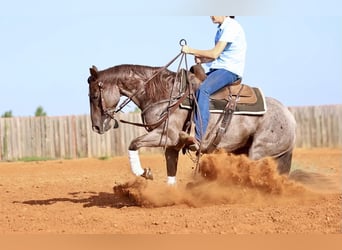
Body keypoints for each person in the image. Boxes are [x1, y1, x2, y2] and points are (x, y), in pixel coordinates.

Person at [181, 16, 247, 151]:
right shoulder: (221, 29)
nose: (211, 14)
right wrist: (203, 60)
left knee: (203, 89)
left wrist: (191, 50)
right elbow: (220, 55)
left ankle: (199, 138)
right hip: (220, 68)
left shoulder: (231, 27)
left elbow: (215, 53)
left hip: (230, 71)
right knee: (193, 85)